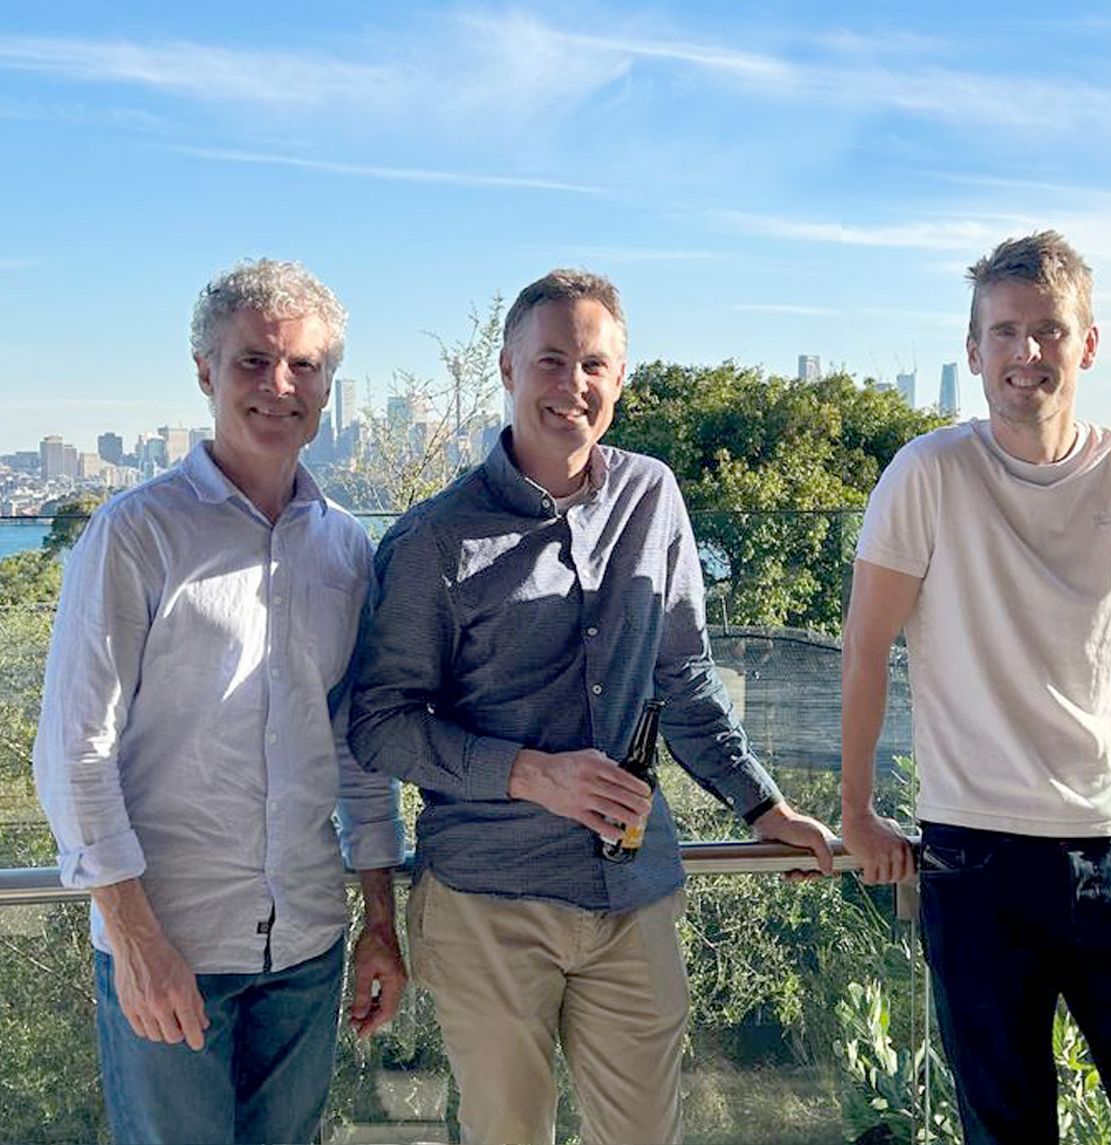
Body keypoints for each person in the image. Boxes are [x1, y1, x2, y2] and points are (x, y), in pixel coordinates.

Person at [349, 268, 835, 1145]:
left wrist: (766, 806)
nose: (572, 384)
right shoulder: (430, 540)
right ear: (506, 368)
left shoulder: (652, 498)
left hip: (632, 898)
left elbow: (685, 681)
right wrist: (529, 774)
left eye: (594, 364)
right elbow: (378, 722)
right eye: (550, 360)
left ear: (619, 379)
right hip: (488, 903)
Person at [840, 231, 1111, 1144]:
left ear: (1086, 344)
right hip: (974, 857)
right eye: (1006, 332)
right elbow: (864, 647)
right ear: (973, 351)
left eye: (1049, 331)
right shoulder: (926, 472)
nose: (1027, 353)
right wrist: (856, 814)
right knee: (1007, 1133)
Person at [33, 259, 407, 1145]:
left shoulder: (347, 547)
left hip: (309, 945)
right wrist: (135, 942)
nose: (281, 386)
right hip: (173, 946)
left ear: (328, 384)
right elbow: (74, 751)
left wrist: (380, 923)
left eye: (305, 366)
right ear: (204, 370)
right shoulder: (136, 533)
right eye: (253, 362)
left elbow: (358, 753)